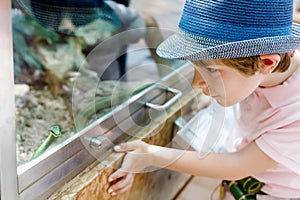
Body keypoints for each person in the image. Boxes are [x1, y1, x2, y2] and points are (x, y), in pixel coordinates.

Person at [108, 0, 300, 199]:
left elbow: (238, 165)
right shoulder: (256, 71)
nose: (195, 83)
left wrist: (150, 154)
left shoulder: (295, 112)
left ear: (267, 62)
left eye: (210, 70)